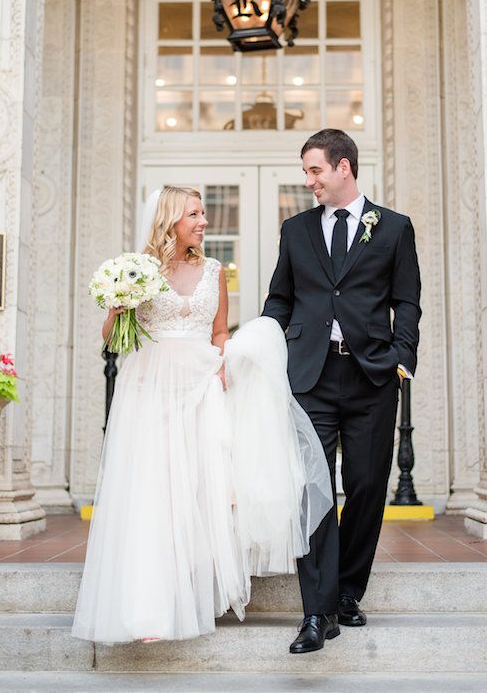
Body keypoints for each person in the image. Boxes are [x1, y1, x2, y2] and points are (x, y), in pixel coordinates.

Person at [72, 185, 331, 644]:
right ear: (171, 218)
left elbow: (218, 332)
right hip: (152, 388)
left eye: (203, 213)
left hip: (203, 384)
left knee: (202, 490)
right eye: (194, 213)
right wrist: (118, 306)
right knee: (157, 492)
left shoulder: (214, 270)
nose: (203, 221)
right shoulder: (141, 270)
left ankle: (195, 594)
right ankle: (149, 607)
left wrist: (221, 370)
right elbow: (113, 341)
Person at [262, 129, 421, 654]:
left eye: (314, 171)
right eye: (306, 172)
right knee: (312, 490)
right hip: (309, 376)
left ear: (344, 167)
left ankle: (349, 591)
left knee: (368, 486)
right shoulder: (296, 230)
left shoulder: (394, 228)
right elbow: (280, 299)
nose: (308, 181)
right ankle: (317, 611)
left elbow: (408, 301)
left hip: (372, 375)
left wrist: (402, 358)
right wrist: (263, 350)